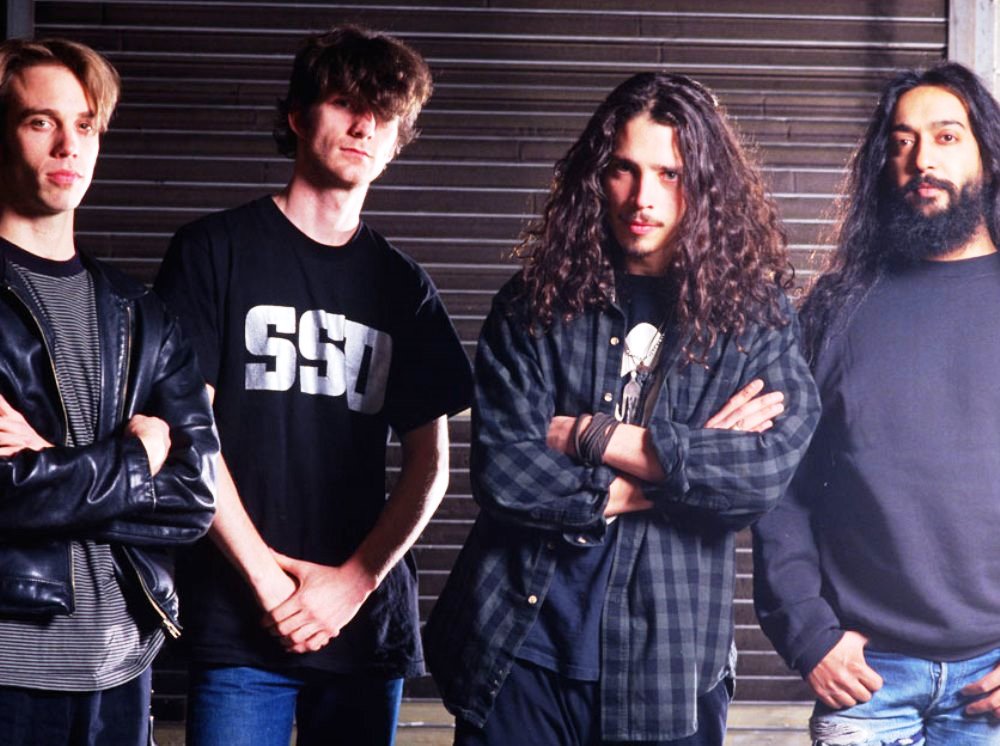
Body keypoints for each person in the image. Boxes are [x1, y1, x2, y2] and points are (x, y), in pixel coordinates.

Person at [424, 71, 820, 745]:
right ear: (596, 178)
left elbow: (759, 476)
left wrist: (592, 434)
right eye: (623, 170)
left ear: (707, 187)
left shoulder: (755, 319)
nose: (643, 197)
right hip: (519, 654)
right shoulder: (532, 305)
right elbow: (505, 474)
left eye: (670, 174)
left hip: (668, 667)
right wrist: (686, 464)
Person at [154, 24, 473, 746]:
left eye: (384, 114)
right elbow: (189, 438)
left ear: (397, 140)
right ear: (298, 116)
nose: (365, 126)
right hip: (241, 623)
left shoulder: (404, 286)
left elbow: (432, 466)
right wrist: (270, 585)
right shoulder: (213, 251)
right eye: (345, 103)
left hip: (363, 626)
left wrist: (352, 583)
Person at [753, 61, 1000, 745]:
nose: (922, 160)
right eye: (901, 142)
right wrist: (808, 634)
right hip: (867, 679)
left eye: (946, 137)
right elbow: (781, 488)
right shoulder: (835, 308)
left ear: (987, 154)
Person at [0, 38, 217, 745]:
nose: (69, 145)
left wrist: (50, 464)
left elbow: (194, 499)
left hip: (124, 664)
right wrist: (133, 458)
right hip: (9, 670)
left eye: (86, 125)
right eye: (41, 121)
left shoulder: (142, 314)